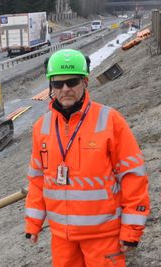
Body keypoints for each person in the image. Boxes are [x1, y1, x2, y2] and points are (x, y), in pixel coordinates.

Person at [24, 49, 150, 266]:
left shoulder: (110, 120)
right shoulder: (41, 127)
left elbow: (133, 177)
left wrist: (131, 230)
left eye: (72, 82)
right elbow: (37, 180)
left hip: (103, 236)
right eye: (58, 84)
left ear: (85, 82)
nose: (65, 89)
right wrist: (33, 223)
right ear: (50, 87)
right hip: (63, 238)